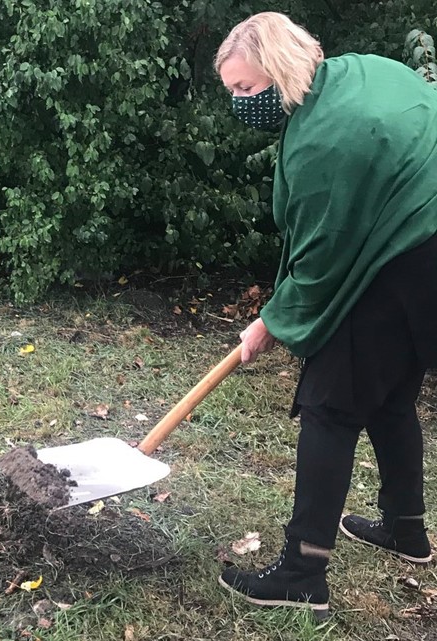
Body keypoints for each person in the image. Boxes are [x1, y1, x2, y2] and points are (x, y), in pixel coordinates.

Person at [214, 12, 437, 615]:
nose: (238, 102)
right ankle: (406, 529)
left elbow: (319, 261)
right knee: (390, 397)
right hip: (422, 261)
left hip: (406, 261)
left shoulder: (319, 142)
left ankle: (301, 573)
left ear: (278, 68)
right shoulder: (367, 73)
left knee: (329, 407)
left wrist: (270, 322)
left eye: (243, 88)